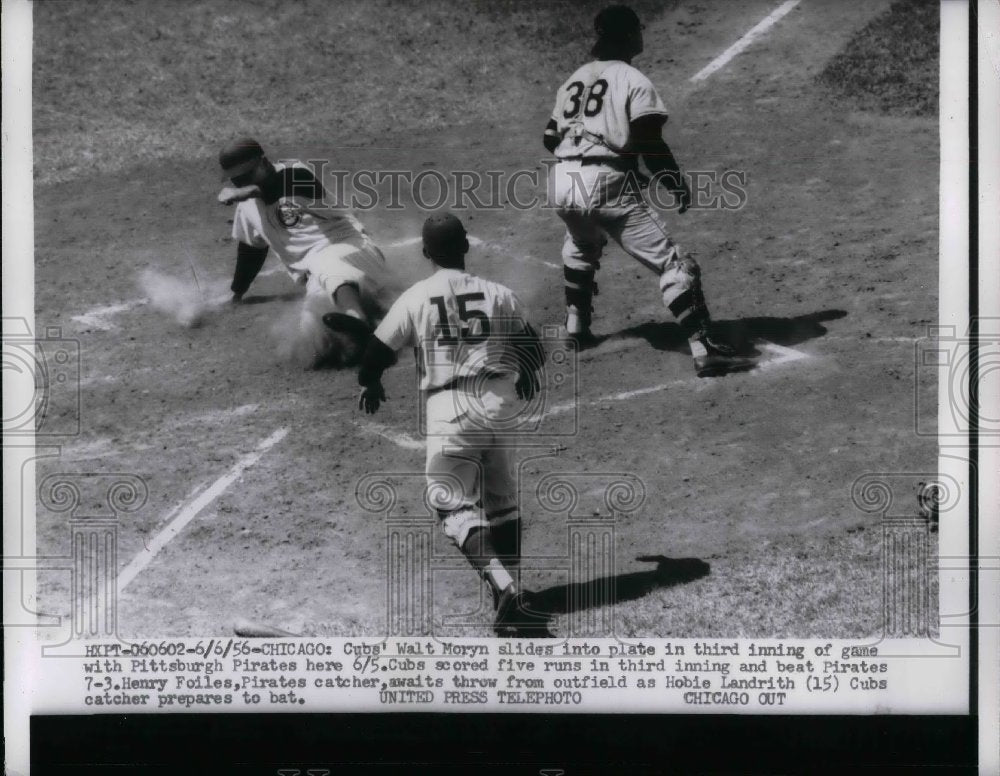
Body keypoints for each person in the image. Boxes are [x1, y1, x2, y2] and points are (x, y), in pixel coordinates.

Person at [350, 213, 549, 637]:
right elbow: (534, 349)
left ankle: (507, 590)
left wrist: (370, 382)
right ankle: (509, 594)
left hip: (452, 409)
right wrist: (527, 373)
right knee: (501, 502)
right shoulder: (499, 293)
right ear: (466, 247)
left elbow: (376, 353)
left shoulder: (417, 296)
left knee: (451, 504)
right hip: (499, 403)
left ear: (425, 253)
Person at [544, 5, 755, 377]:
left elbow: (549, 138)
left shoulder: (574, 78)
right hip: (603, 185)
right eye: (638, 30)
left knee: (580, 243)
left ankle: (576, 327)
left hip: (561, 182)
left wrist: (602, 161)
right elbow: (650, 143)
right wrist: (673, 183)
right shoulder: (633, 79)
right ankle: (705, 348)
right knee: (675, 264)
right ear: (628, 36)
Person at [217, 137, 394, 367]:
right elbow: (252, 249)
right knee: (314, 336)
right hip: (319, 276)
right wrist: (237, 292)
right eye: (236, 180)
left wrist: (248, 190)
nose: (241, 184)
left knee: (327, 262)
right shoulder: (247, 206)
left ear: (263, 162)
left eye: (246, 176)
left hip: (354, 250)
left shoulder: (295, 173)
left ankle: (356, 318)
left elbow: (280, 185)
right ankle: (373, 325)